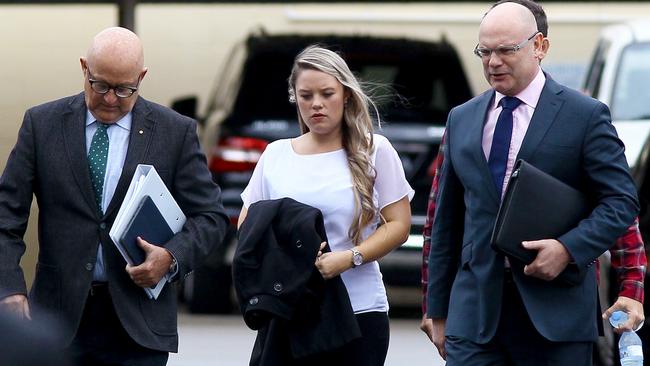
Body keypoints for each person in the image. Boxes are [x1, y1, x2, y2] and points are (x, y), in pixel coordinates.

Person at [421, 0, 646, 347]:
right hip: (474, 315)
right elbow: (443, 221)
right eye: (484, 52)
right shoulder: (461, 118)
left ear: (539, 46)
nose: (493, 62)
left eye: (506, 50)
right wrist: (435, 307)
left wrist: (568, 249)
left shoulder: (584, 115)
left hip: (557, 315)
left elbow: (620, 202)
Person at [0, 27, 229, 365]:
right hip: (57, 321)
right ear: (84, 68)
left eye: (124, 89)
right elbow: (6, 215)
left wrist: (171, 257)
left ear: (142, 77)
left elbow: (211, 217)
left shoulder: (174, 132)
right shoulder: (42, 124)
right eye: (100, 85)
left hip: (139, 324)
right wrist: (11, 288)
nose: (110, 99)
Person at [237, 45, 413, 365]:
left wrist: (350, 258)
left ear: (345, 94)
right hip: (289, 309)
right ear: (295, 98)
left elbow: (399, 225)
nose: (316, 104)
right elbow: (249, 225)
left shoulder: (375, 150)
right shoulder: (276, 155)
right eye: (306, 96)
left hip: (358, 310)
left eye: (327, 93)